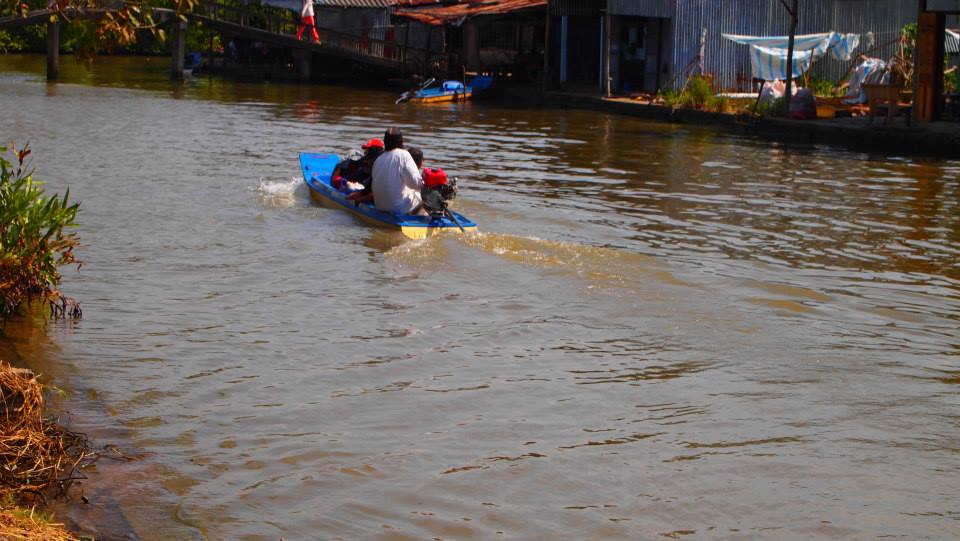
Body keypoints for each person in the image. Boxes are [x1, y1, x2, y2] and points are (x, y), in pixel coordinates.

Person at [371, 128, 423, 215]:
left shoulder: (378, 159)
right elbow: (416, 183)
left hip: (379, 206)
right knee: (423, 194)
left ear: (385, 142)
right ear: (401, 142)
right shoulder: (403, 154)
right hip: (397, 209)